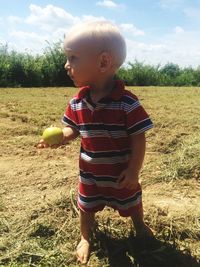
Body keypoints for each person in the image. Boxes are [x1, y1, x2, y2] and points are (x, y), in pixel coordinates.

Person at [37, 20, 154, 264]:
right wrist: (61, 136)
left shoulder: (127, 103)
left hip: (120, 170)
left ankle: (140, 226)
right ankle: (85, 237)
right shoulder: (77, 102)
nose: (66, 65)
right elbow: (73, 129)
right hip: (90, 172)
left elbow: (138, 137)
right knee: (86, 205)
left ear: (103, 62)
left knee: (132, 199)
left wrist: (133, 171)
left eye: (73, 57)